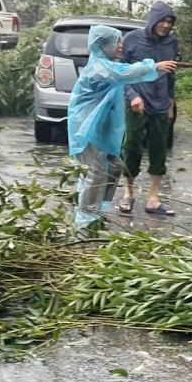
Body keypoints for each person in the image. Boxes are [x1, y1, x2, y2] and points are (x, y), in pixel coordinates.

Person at [67, 24, 178, 234]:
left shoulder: (107, 64)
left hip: (99, 128)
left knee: (115, 167)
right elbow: (124, 73)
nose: (121, 46)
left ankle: (97, 213)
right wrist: (154, 67)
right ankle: (85, 222)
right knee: (96, 173)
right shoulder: (99, 67)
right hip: (86, 129)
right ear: (104, 44)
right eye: (117, 42)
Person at [120, 1, 181, 216]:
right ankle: (128, 192)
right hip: (137, 103)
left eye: (170, 21)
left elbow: (171, 75)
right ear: (153, 19)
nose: (166, 25)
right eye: (163, 20)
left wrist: (171, 102)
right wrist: (132, 96)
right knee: (132, 146)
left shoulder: (171, 43)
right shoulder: (132, 40)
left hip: (160, 103)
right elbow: (122, 72)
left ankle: (153, 198)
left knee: (159, 149)